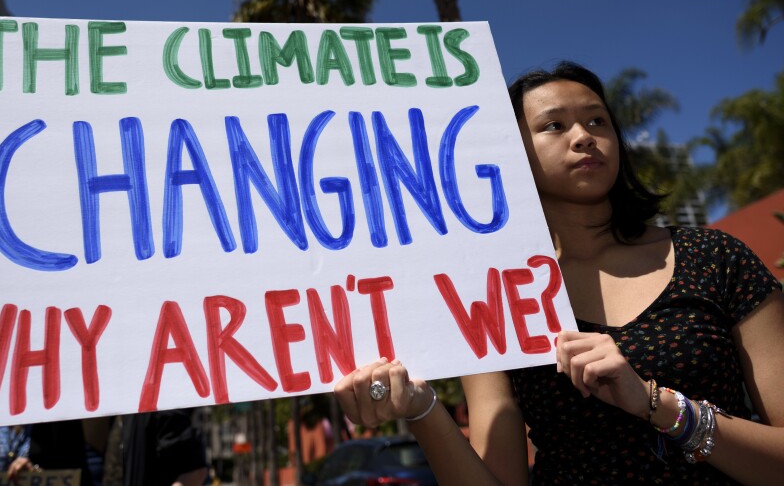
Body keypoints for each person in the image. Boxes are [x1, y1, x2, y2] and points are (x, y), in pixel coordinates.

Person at [333, 62, 784, 484]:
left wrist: (657, 404)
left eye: (597, 121)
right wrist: (422, 408)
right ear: (512, 152)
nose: (584, 137)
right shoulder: (495, 294)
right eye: (554, 125)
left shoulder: (714, 257)